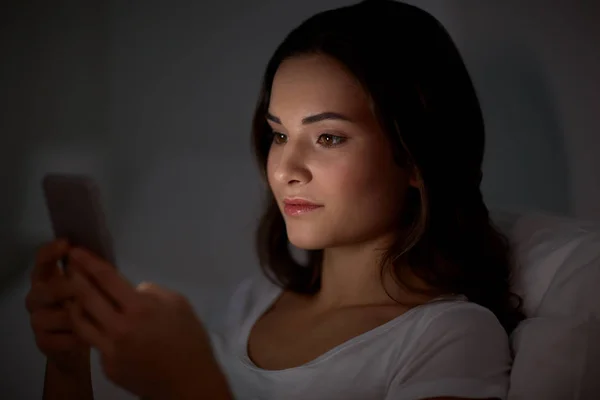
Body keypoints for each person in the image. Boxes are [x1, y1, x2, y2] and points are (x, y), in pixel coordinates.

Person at [25, 0, 525, 399]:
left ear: (416, 158)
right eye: (279, 135)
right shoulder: (254, 302)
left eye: (328, 137)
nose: (285, 169)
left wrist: (188, 387)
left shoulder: (451, 339)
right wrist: (69, 367)